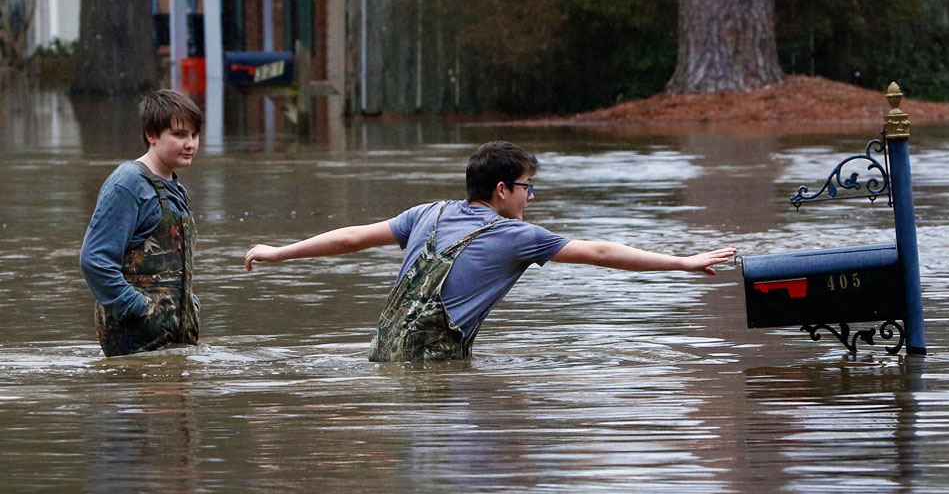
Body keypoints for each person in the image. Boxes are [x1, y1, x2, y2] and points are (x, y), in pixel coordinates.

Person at [244, 141, 735, 362]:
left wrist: (278, 252)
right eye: (528, 187)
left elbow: (351, 237)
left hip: (384, 355)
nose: (531, 197)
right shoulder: (517, 237)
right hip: (435, 366)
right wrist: (682, 263)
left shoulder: (427, 213)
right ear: (502, 190)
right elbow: (601, 252)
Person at [80, 89, 204, 357]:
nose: (191, 144)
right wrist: (137, 308)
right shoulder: (128, 183)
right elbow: (95, 260)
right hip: (134, 342)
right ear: (151, 135)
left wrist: (189, 305)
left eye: (195, 135)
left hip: (174, 340)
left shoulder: (175, 187)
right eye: (180, 134)